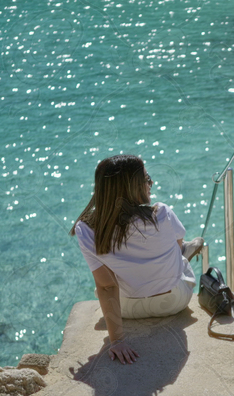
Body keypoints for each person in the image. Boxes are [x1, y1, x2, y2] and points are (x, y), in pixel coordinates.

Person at [70, 154, 204, 364]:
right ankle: (187, 251)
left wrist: (117, 341)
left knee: (104, 282)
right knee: (178, 254)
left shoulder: (85, 229)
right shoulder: (162, 213)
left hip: (126, 309)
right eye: (147, 178)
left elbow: (107, 288)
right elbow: (175, 246)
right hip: (174, 302)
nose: (152, 183)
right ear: (133, 187)